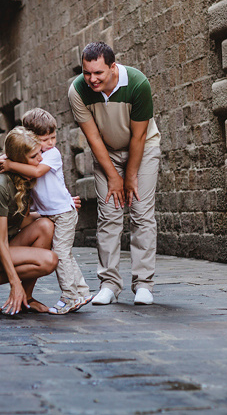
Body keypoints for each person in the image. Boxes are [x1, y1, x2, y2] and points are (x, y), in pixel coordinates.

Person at [68, 42, 161, 305]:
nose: (92, 79)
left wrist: (129, 177)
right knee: (108, 215)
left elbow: (139, 136)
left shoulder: (138, 84)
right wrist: (113, 176)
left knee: (141, 212)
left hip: (142, 150)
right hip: (106, 153)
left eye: (98, 73)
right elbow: (93, 138)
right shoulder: (78, 91)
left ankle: (144, 284)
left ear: (112, 66)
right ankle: (109, 284)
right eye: (87, 73)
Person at [0, 108, 93, 315]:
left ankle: (70, 296)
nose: (50, 142)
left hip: (63, 214)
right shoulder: (32, 154)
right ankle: (82, 291)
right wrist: (10, 159)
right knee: (65, 253)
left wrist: (10, 164)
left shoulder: (52, 154)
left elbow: (36, 171)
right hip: (53, 213)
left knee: (60, 254)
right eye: (45, 139)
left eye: (53, 137)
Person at [0, 127, 59, 315]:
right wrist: (15, 283)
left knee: (46, 226)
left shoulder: (23, 180)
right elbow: (1, 240)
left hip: (1, 248)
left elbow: (22, 223)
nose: (40, 159)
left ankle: (27, 299)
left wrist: (59, 209)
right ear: (18, 160)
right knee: (49, 261)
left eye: (39, 152)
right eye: (33, 156)